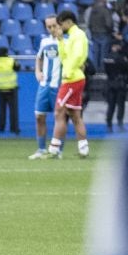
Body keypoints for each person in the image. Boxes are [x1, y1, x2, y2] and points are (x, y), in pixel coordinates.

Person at [43, 9, 92, 160]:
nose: (59, 27)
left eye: (60, 24)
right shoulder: (71, 37)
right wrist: (60, 41)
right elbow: (65, 56)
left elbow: (77, 56)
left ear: (68, 22)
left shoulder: (78, 36)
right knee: (75, 115)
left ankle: (54, 148)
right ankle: (83, 149)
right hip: (74, 78)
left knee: (59, 112)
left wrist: (68, 72)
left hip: (72, 79)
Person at [27, 15, 62, 157]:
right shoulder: (45, 41)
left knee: (59, 119)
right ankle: (41, 149)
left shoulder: (66, 42)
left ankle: (58, 150)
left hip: (58, 85)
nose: (52, 29)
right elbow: (39, 57)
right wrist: (37, 71)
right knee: (39, 117)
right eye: (49, 27)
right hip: (44, 85)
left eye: (54, 26)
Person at [0, 42, 19, 134]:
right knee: (13, 110)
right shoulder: (11, 61)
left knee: (2, 109)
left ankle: (1, 127)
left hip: (0, 88)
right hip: (11, 88)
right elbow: (17, 68)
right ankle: (14, 128)